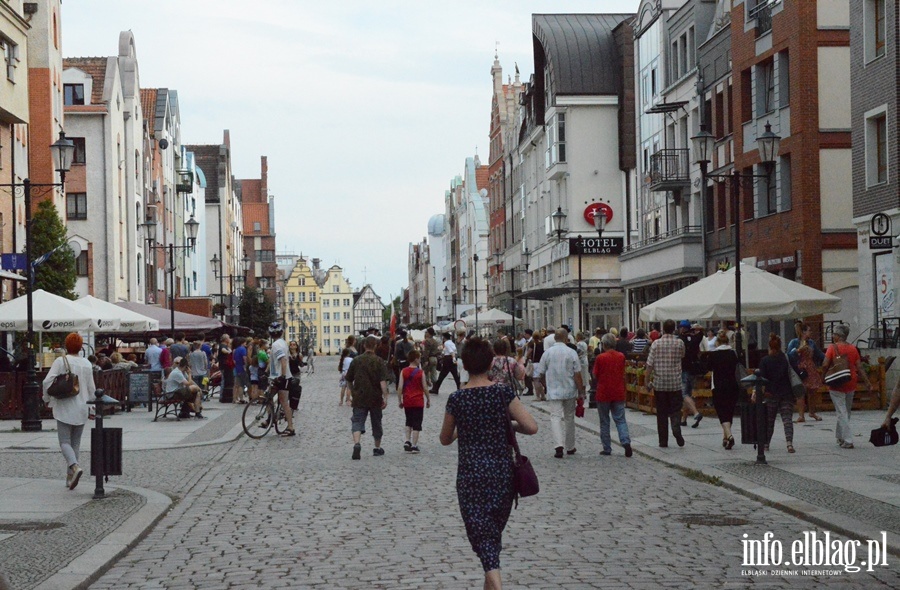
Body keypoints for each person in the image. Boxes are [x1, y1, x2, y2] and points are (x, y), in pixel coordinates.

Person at [439, 336, 538, 590]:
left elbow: (445, 439)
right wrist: (508, 424)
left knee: (484, 539)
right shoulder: (502, 392)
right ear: (490, 362)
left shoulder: (457, 399)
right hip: (501, 476)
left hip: (471, 477)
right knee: (491, 537)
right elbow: (531, 427)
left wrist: (466, 426)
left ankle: (497, 584)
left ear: (464, 363)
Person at [42, 333, 96, 490]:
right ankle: (69, 478)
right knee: (75, 443)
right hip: (82, 406)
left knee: (64, 442)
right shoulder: (86, 363)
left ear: (66, 345)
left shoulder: (61, 361)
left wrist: (47, 399)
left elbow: (47, 381)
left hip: (65, 405)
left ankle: (74, 467)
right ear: (81, 347)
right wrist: (92, 407)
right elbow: (91, 388)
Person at [533, 328, 585, 458]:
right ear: (566, 338)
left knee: (555, 417)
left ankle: (558, 446)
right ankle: (570, 446)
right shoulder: (571, 352)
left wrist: (545, 385)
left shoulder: (548, 353)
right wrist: (581, 391)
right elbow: (577, 374)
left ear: (555, 338)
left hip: (554, 390)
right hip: (569, 390)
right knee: (569, 418)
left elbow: (540, 373)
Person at [820, 323, 872, 449]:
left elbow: (825, 364)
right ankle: (840, 436)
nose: (832, 336)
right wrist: (867, 382)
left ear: (838, 336)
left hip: (836, 383)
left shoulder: (832, 348)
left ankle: (848, 440)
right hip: (851, 382)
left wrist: (822, 378)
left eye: (834, 334)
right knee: (845, 412)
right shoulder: (853, 349)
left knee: (841, 412)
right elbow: (859, 367)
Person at [346, 335, 390, 459]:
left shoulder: (356, 360)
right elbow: (383, 382)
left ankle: (357, 443)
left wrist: (352, 391)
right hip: (375, 397)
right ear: (375, 346)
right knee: (376, 422)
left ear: (364, 346)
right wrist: (385, 397)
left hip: (359, 396)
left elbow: (349, 379)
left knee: (357, 420)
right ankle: (377, 448)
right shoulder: (379, 361)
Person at [645, 319, 686, 448]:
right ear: (674, 329)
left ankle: (663, 441)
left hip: (660, 383)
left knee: (661, 413)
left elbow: (649, 364)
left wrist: (647, 381)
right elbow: (682, 355)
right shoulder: (679, 343)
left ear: (663, 329)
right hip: (675, 383)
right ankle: (676, 427)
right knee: (675, 409)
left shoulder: (656, 344)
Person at [755, 334, 796, 453]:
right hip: (787, 393)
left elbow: (761, 378)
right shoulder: (787, 359)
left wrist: (757, 393)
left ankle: (766, 444)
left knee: (769, 420)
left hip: (770, 393)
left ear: (769, 347)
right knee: (787, 419)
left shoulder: (765, 361)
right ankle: (789, 444)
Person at [593, 333, 632, 457]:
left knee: (604, 421)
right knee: (620, 419)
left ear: (603, 344)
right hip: (618, 391)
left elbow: (595, 375)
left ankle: (607, 448)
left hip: (603, 392)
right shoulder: (621, 356)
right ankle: (625, 441)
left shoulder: (600, 358)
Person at [703, 330, 740, 449]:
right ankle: (725, 438)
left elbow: (708, 367)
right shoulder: (734, 354)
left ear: (718, 342)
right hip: (733, 385)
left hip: (718, 386)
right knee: (729, 410)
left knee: (721, 411)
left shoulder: (713, 355)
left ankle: (729, 435)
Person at [787, 322, 825, 422]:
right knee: (801, 391)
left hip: (810, 368)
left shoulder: (811, 342)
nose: (811, 332)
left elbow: (819, 354)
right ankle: (801, 415)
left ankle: (812, 412)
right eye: (809, 330)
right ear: (803, 332)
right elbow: (789, 355)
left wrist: (829, 358)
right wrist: (799, 350)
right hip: (800, 368)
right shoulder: (794, 342)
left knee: (812, 391)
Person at [398, 349, 430, 453]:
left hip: (407, 400)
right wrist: (428, 399)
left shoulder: (403, 371)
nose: (420, 360)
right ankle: (414, 445)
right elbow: (425, 387)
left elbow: (400, 387)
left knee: (408, 420)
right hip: (418, 401)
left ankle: (407, 440)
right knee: (417, 423)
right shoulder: (420, 372)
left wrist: (400, 400)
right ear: (416, 359)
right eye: (419, 358)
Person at [268, 322, 296, 436]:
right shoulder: (283, 343)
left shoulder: (276, 345)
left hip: (281, 377)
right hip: (278, 376)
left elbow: (283, 361)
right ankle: (269, 419)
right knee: (268, 397)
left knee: (284, 402)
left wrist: (283, 377)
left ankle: (290, 427)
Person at [678, 320, 704, 429]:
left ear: (683, 328)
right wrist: (696, 329)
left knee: (684, 394)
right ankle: (683, 419)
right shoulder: (696, 338)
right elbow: (701, 332)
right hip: (694, 370)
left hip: (684, 369)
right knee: (688, 394)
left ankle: (696, 413)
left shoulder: (681, 340)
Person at [338, 339, 357, 406]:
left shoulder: (343, 359)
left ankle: (341, 401)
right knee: (349, 388)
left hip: (343, 373)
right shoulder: (350, 359)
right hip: (348, 373)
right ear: (349, 354)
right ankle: (348, 400)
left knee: (343, 388)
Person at [217, 334, 234, 402]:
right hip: (224, 366)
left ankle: (223, 395)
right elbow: (223, 350)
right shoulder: (222, 345)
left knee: (224, 380)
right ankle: (221, 396)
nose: (229, 339)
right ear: (225, 339)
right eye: (228, 338)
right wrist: (229, 352)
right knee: (223, 381)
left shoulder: (226, 345)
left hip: (224, 366)